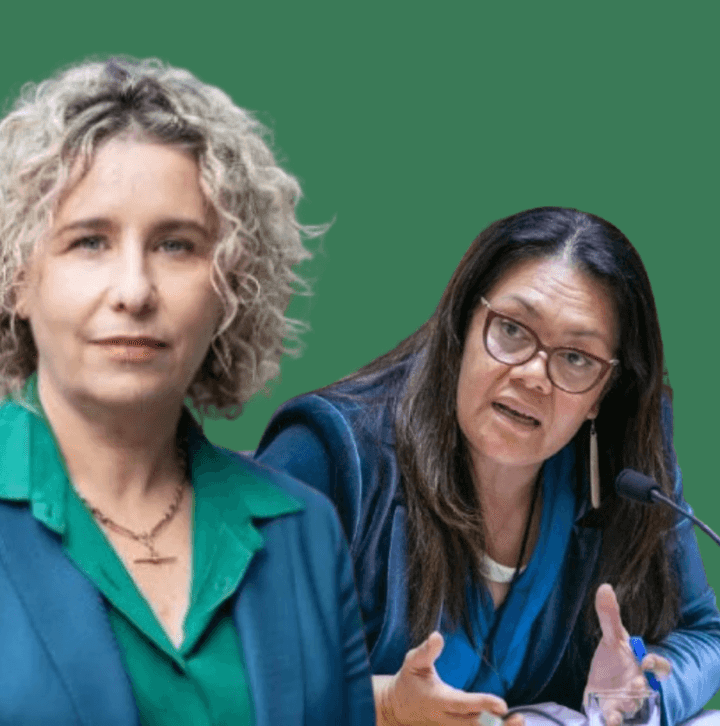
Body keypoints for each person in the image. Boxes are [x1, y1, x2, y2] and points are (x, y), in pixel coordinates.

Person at [0, 57, 373, 725]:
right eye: (90, 241)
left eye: (176, 245)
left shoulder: (303, 528)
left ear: (230, 288)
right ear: (18, 276)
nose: (133, 290)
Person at [256, 207, 720, 724]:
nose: (534, 376)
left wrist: (637, 699)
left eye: (576, 358)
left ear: (602, 394)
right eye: (513, 330)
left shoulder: (627, 468)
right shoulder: (327, 455)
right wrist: (384, 705)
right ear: (462, 325)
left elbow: (704, 633)